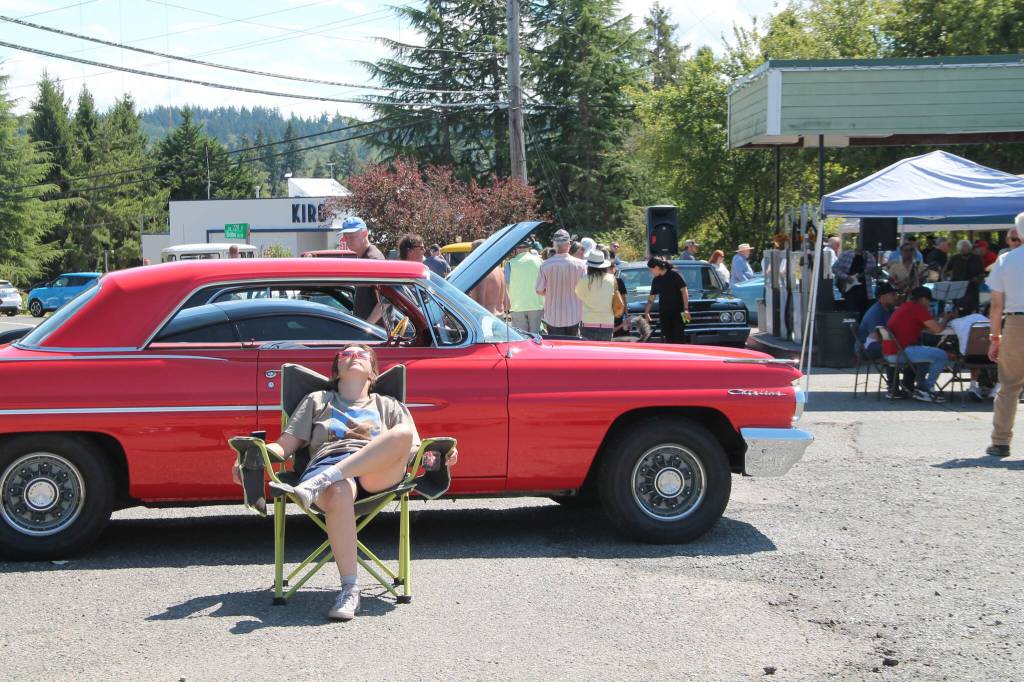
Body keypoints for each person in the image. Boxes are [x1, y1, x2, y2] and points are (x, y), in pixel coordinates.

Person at [256, 345, 456, 621]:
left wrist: (437, 455)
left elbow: (412, 450)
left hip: (377, 474)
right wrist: (252, 455)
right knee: (339, 489)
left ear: (373, 373)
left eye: (361, 355)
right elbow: (283, 447)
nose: (352, 357)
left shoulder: (388, 405)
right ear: (336, 370)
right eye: (345, 354)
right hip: (329, 474)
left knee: (402, 432)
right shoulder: (317, 400)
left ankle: (326, 479)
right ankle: (350, 590)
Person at [985, 213, 1024, 458]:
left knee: (1009, 385)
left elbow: (996, 305)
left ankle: (1000, 442)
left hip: (1016, 322)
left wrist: (994, 337)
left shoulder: (1005, 260)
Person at [883, 286, 955, 403]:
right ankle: (926, 389)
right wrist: (946, 318)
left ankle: (921, 387)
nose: (929, 304)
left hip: (891, 352)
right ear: (923, 299)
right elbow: (937, 330)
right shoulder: (918, 309)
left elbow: (928, 327)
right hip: (901, 352)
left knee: (927, 354)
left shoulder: (906, 307)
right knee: (941, 355)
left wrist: (938, 320)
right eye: (929, 301)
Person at [536, 229, 586, 336]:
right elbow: (585, 290)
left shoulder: (545, 265)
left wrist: (551, 291)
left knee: (556, 348)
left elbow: (539, 290)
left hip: (553, 315)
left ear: (554, 244)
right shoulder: (581, 265)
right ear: (569, 245)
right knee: (572, 348)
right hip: (574, 314)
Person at [856, 282, 904, 396]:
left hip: (878, 343)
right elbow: (877, 335)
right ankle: (893, 388)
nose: (896, 297)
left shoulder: (888, 309)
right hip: (867, 348)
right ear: (882, 298)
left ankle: (907, 385)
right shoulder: (876, 312)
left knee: (905, 348)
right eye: (892, 294)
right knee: (893, 351)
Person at [340, 217, 385, 322]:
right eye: (345, 237)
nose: (347, 240)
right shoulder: (364, 258)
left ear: (365, 234)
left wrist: (367, 327)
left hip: (376, 335)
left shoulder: (373, 260)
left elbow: (385, 302)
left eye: (351, 236)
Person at [947, 304, 995, 401]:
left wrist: (947, 317)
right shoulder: (985, 320)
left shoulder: (955, 322)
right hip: (990, 358)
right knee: (1002, 356)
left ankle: (973, 386)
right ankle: (997, 388)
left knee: (973, 352)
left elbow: (939, 329)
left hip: (968, 358)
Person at [574, 250, 617, 341]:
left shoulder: (585, 280)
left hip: (589, 321)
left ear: (589, 266)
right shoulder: (611, 279)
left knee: (589, 352)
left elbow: (578, 294)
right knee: (604, 352)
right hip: (607, 321)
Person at [644, 256, 689, 344]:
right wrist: (646, 312)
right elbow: (651, 297)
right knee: (669, 338)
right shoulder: (656, 280)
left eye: (651, 270)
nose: (651, 272)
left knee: (680, 337)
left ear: (656, 267)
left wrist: (686, 309)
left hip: (679, 312)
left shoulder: (675, 274)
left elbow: (684, 291)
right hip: (664, 313)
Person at [833, 242, 878, 320]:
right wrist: (846, 277)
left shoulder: (869, 257)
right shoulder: (846, 254)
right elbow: (834, 268)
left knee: (864, 315)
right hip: (850, 291)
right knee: (851, 314)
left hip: (865, 292)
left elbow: (874, 275)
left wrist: (874, 272)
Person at [507, 240, 544, 333]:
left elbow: (506, 285)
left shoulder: (510, 263)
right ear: (529, 248)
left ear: (516, 249)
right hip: (536, 303)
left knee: (522, 337)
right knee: (535, 337)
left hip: (517, 305)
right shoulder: (539, 261)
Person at [467, 239, 508, 315]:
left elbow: (479, 306)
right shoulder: (499, 270)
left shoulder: (481, 273)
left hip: (486, 319)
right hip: (499, 318)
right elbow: (507, 304)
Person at [943, 239, 984, 310]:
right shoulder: (954, 258)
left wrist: (978, 280)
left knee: (972, 309)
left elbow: (982, 273)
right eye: (962, 247)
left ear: (970, 248)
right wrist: (946, 282)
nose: (964, 249)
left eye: (966, 247)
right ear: (959, 249)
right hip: (957, 288)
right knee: (957, 309)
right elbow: (944, 271)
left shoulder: (977, 258)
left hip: (972, 288)